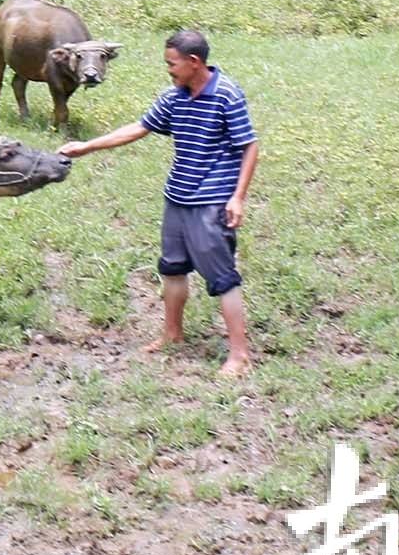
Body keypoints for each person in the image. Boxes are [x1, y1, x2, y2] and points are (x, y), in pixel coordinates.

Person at [60, 28, 258, 378]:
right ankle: (172, 333)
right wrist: (87, 146)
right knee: (172, 268)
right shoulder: (174, 96)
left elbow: (249, 147)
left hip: (211, 202)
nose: (168, 70)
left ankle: (240, 354)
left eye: (172, 64)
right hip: (178, 197)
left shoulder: (227, 95)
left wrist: (238, 198)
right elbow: (139, 127)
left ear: (194, 62)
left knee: (223, 277)